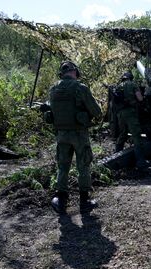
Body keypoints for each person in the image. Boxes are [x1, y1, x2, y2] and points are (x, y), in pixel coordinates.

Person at [49, 61, 102, 214]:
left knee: (63, 166)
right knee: (83, 165)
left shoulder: (53, 89)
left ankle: (60, 199)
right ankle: (84, 200)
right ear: (75, 72)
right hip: (79, 134)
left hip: (61, 134)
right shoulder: (80, 88)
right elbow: (97, 111)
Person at [115, 71, 150, 168]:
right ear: (131, 77)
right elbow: (140, 98)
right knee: (136, 135)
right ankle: (140, 161)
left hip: (120, 114)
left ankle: (117, 157)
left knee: (122, 134)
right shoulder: (133, 84)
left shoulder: (118, 86)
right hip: (130, 113)